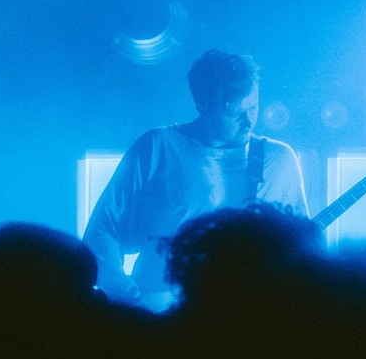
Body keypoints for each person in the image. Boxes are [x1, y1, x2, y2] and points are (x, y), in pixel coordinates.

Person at [82, 49, 307, 311]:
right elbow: (102, 233)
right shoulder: (158, 147)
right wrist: (134, 304)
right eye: (235, 113)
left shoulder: (279, 159)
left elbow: (304, 245)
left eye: (254, 108)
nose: (249, 122)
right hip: (162, 312)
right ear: (203, 106)